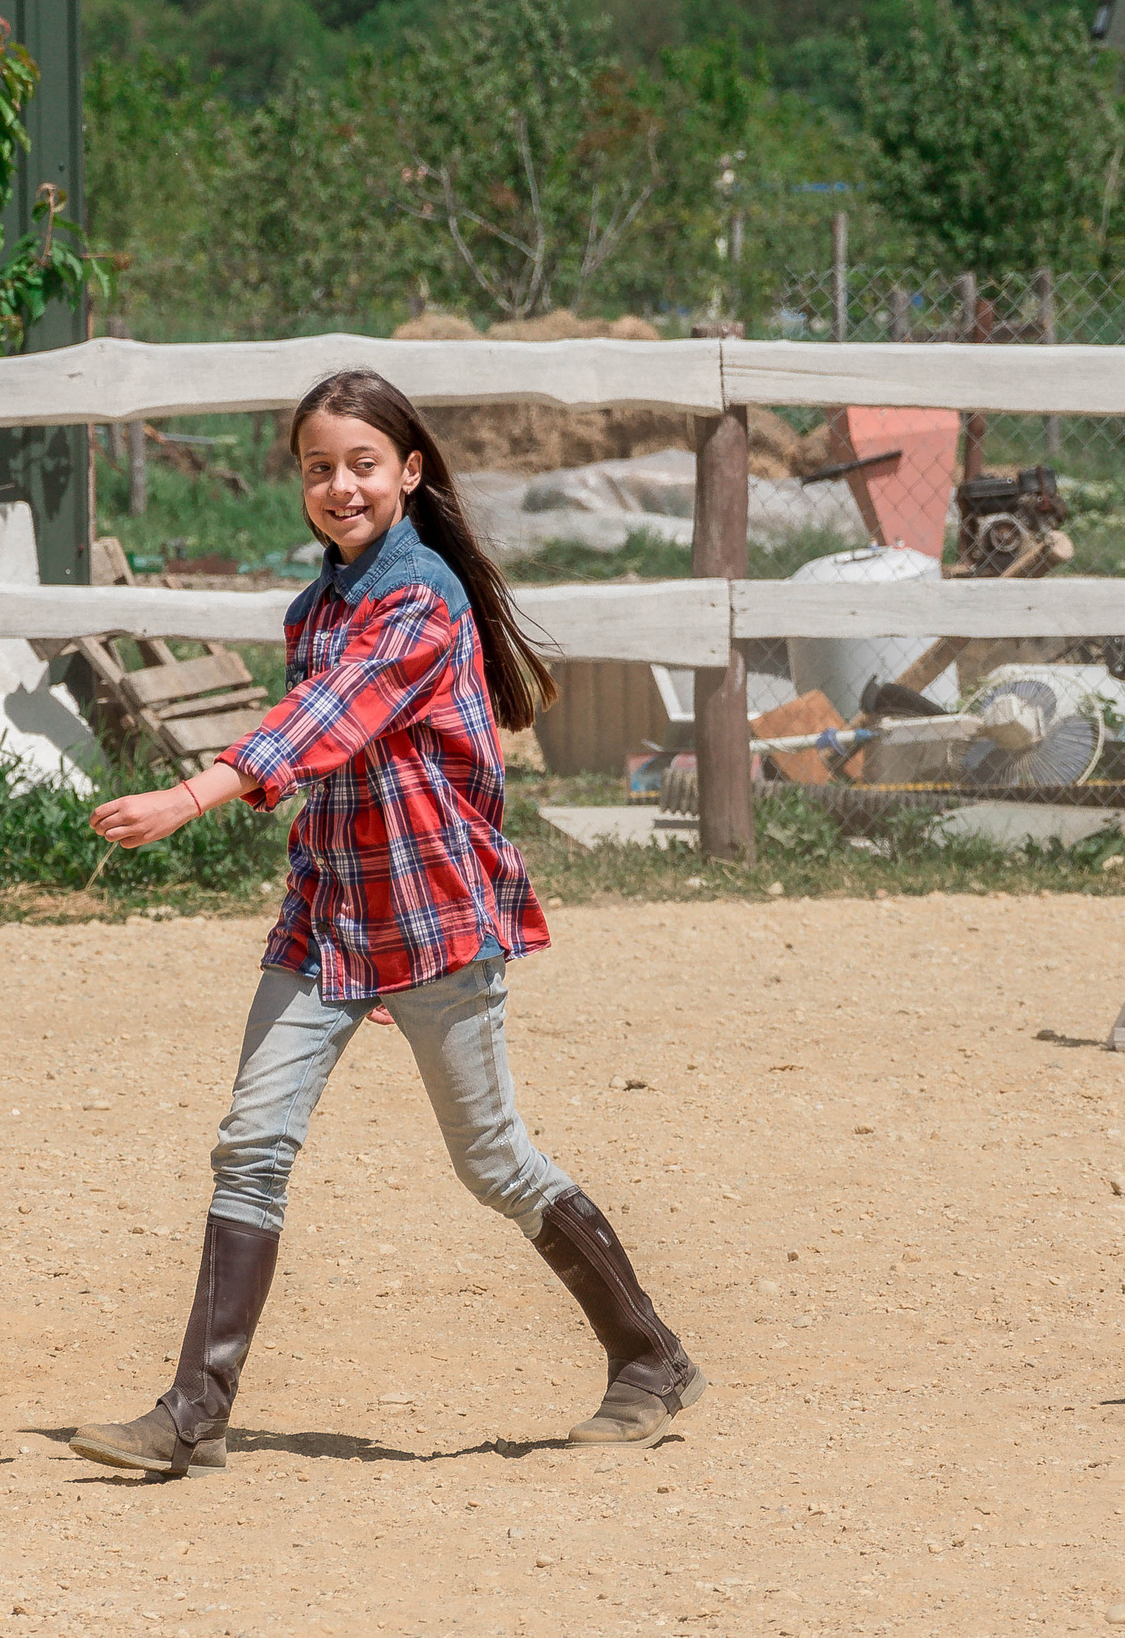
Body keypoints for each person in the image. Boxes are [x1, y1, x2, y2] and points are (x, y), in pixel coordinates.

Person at [67, 369, 704, 1477]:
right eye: (319, 467)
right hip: (327, 917)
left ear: (409, 473)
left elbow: (330, 717)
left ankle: (650, 1358)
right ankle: (192, 1416)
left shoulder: (418, 601)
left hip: (430, 919)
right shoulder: (314, 607)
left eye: (362, 464)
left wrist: (193, 793)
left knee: (495, 1162)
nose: (339, 486)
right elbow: (327, 750)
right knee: (251, 1145)